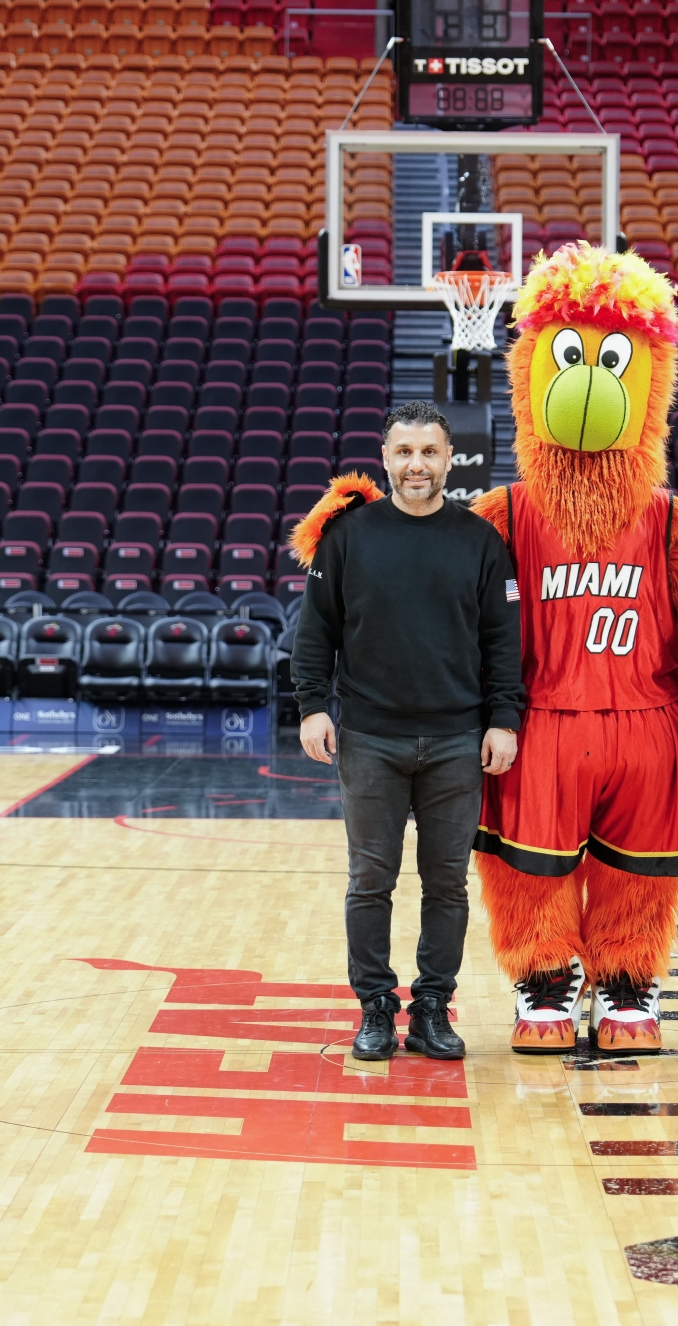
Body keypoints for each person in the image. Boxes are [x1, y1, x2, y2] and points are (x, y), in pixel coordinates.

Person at [289, 401, 524, 1063]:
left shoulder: (480, 541)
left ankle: (431, 1010)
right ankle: (374, 1008)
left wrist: (504, 718)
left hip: (457, 741)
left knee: (447, 885)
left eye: (429, 452)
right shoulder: (347, 536)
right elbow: (315, 636)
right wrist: (312, 706)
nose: (416, 464)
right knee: (370, 881)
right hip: (370, 739)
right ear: (386, 457)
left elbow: (503, 642)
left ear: (450, 460)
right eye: (404, 452)